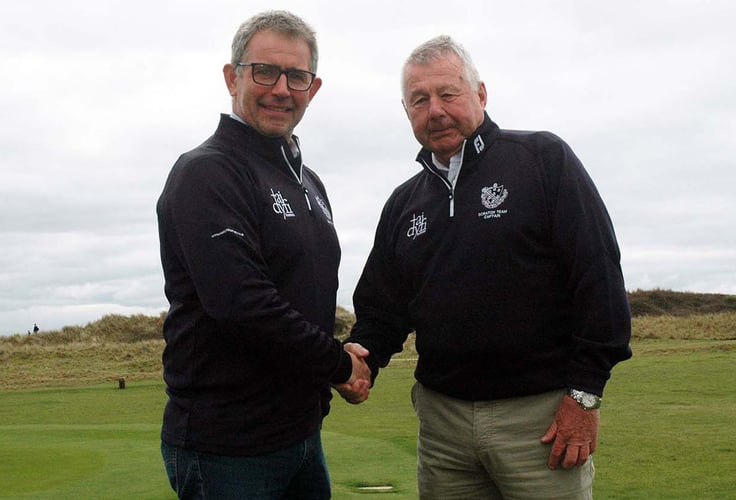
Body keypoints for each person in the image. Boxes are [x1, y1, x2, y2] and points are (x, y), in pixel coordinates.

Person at [342, 35, 632, 499]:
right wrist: (363, 360)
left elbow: (597, 276)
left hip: (540, 420)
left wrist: (584, 394)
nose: (434, 110)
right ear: (407, 111)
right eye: (419, 100)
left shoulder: (542, 160)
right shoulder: (404, 203)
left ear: (480, 94)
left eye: (448, 93)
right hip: (442, 425)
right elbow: (383, 308)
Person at [156, 10, 370, 499]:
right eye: (265, 72)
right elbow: (242, 303)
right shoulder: (208, 172)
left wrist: (347, 352)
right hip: (228, 446)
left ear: (313, 89)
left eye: (297, 77)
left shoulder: (307, 181)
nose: (281, 89)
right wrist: (339, 366)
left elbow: (306, 294)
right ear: (232, 78)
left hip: (299, 434)